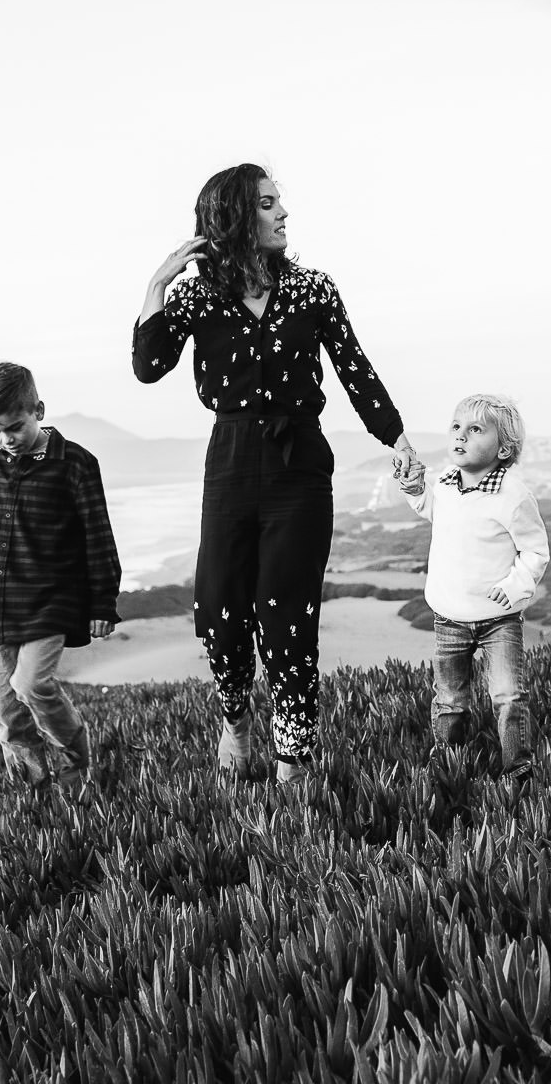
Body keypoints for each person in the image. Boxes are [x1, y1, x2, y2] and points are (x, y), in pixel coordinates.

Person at [132, 164, 418, 784]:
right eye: (268, 204)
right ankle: (234, 715)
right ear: (236, 217)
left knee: (290, 616)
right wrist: (158, 282)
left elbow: (355, 369)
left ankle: (293, 763)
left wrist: (396, 441)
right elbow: (150, 366)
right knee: (221, 608)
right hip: (230, 460)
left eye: (280, 202)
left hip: (301, 465)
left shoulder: (315, 288)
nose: (283, 213)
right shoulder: (197, 297)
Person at [0, 362, 121, 787]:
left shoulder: (76, 463)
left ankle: (75, 759)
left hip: (52, 598)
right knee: (4, 711)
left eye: (14, 427)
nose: (5, 439)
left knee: (31, 684)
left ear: (39, 410)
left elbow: (97, 536)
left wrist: (103, 602)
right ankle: (36, 788)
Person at [398, 394, 550, 779]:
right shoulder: (445, 485)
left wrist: (517, 586)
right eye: (456, 427)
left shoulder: (514, 496)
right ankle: (449, 766)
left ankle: (518, 771)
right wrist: (415, 488)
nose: (460, 435)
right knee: (450, 699)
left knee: (508, 697)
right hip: (449, 617)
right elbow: (425, 505)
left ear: (504, 448)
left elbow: (535, 550)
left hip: (500, 619)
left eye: (475, 429)